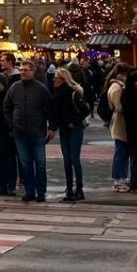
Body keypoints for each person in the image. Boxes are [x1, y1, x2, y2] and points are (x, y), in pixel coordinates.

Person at [4, 61, 53, 204]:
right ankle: (29, 191)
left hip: (37, 131)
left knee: (40, 163)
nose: (23, 72)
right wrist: (11, 123)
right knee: (25, 163)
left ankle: (41, 192)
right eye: (22, 70)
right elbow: (7, 106)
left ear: (33, 72)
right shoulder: (15, 87)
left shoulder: (41, 89)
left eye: (26, 70)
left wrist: (51, 127)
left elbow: (49, 109)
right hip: (20, 132)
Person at [49, 66, 89, 202]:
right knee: (67, 160)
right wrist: (52, 128)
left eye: (56, 78)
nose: (54, 80)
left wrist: (74, 121)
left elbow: (85, 110)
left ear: (62, 79)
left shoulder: (73, 93)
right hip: (64, 129)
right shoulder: (55, 95)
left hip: (74, 128)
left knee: (73, 158)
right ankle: (70, 188)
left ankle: (78, 188)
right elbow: (54, 114)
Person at [105, 64, 130, 191]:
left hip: (120, 122)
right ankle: (119, 179)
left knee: (122, 152)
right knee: (121, 152)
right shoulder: (117, 88)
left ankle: (122, 178)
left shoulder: (115, 86)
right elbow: (119, 107)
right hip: (120, 122)